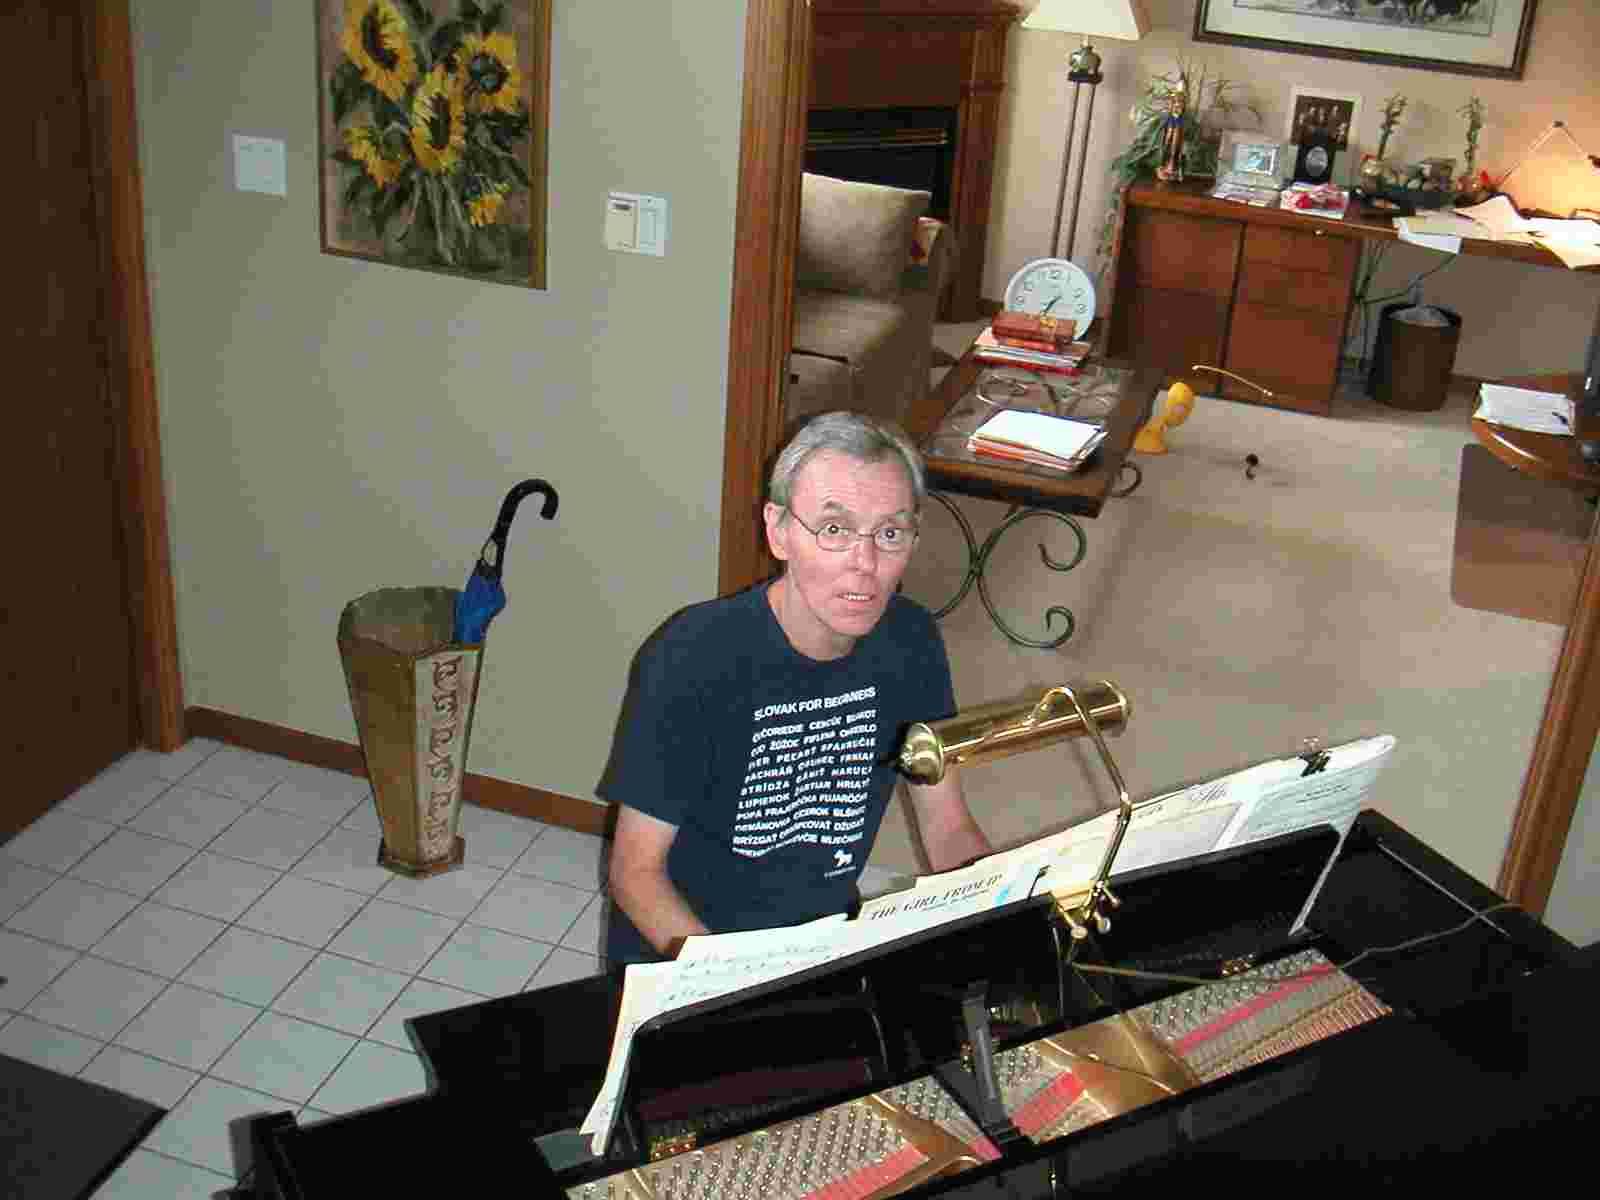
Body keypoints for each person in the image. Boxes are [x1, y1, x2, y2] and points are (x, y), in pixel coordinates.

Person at [602, 410, 992, 965]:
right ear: (778, 530)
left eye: (889, 533)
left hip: (822, 946)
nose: (866, 564)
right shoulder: (691, 656)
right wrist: (737, 986)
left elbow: (947, 826)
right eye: (834, 530)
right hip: (686, 954)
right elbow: (635, 876)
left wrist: (1002, 909)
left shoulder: (913, 642)